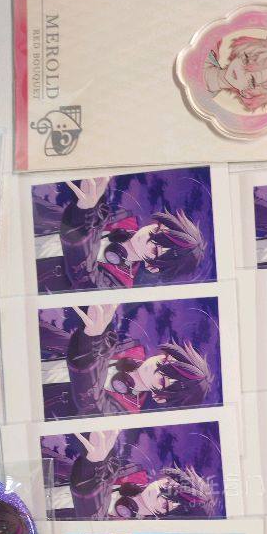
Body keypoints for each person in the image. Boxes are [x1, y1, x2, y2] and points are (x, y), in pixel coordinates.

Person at [34, 176, 207, 292]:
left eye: (156, 250)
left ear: (152, 268)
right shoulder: (121, 217)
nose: (148, 240)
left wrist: (83, 211)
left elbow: (82, 272)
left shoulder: (118, 284)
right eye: (156, 232)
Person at [43, 302, 213, 415]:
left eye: (162, 381)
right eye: (164, 363)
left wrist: (90, 339)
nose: (156, 369)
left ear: (159, 398)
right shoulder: (128, 347)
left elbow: (88, 400)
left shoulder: (122, 412)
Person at [61, 428, 220, 520]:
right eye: (167, 486)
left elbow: (90, 511)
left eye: (166, 505)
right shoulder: (129, 470)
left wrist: (92, 465)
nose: (159, 494)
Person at [204, 33, 267, 111]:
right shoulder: (209, 43)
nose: (242, 72)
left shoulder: (206, 107)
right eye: (246, 60)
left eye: (252, 79)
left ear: (247, 93)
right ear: (241, 51)